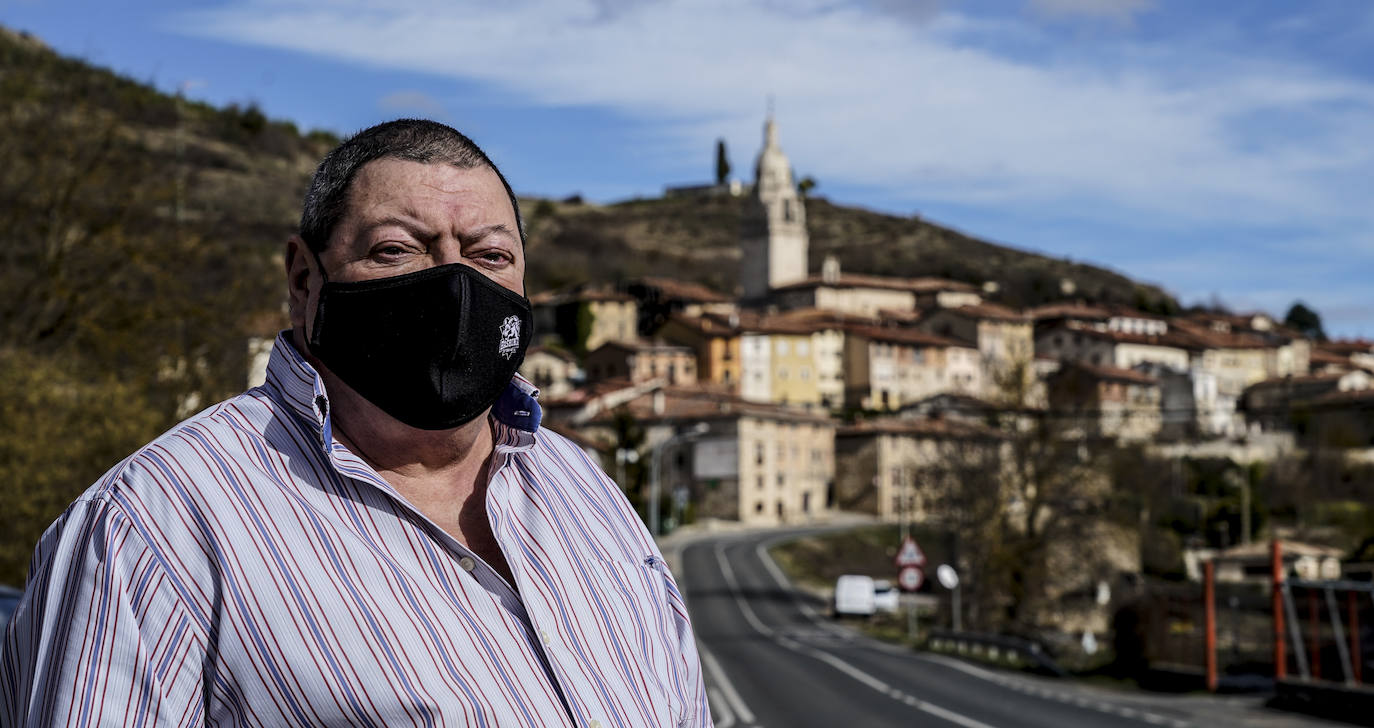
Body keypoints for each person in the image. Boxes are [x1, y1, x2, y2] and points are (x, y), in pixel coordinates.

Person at [1, 119, 711, 727]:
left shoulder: (584, 489)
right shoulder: (151, 531)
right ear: (304, 282)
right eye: (396, 250)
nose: (457, 289)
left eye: (491, 256)